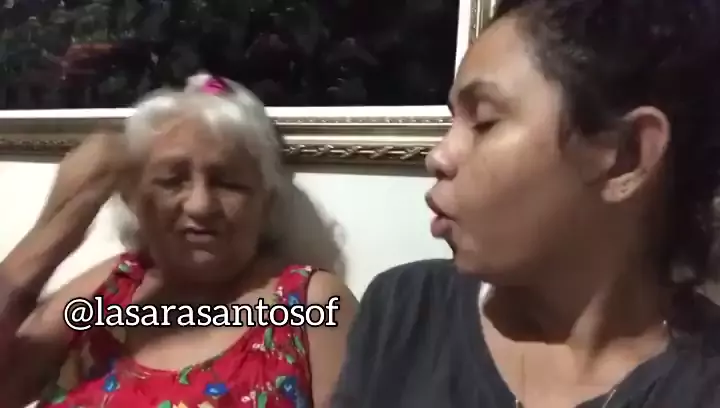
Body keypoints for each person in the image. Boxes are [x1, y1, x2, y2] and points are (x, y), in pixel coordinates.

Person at [332, 0, 720, 407]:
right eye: (453, 121)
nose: (438, 157)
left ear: (627, 155)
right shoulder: (407, 309)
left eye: (484, 121)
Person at [0, 73, 357, 408]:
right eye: (172, 181)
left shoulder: (309, 302)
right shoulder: (111, 286)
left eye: (228, 183)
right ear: (135, 199)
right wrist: (58, 227)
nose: (200, 205)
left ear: (266, 203)